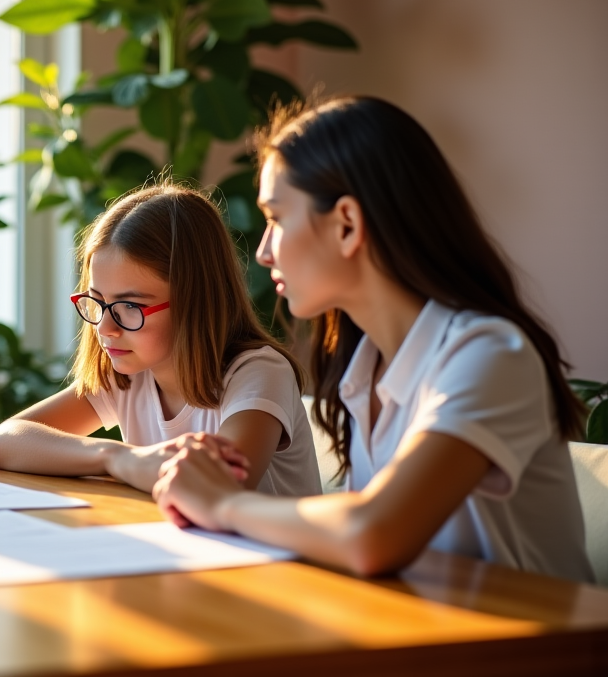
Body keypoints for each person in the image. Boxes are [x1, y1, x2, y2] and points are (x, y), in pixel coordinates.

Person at [153, 96, 593, 582]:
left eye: (276, 219)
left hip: (537, 651)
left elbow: (374, 533)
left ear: (347, 225)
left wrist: (223, 503)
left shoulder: (488, 355)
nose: (261, 252)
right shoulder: (363, 367)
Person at [0, 183, 321, 498]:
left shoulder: (258, 373)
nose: (106, 327)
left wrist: (132, 463)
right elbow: (4, 440)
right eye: (97, 301)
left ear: (194, 302)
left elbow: (216, 484)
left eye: (130, 306)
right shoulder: (131, 373)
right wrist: (117, 457)